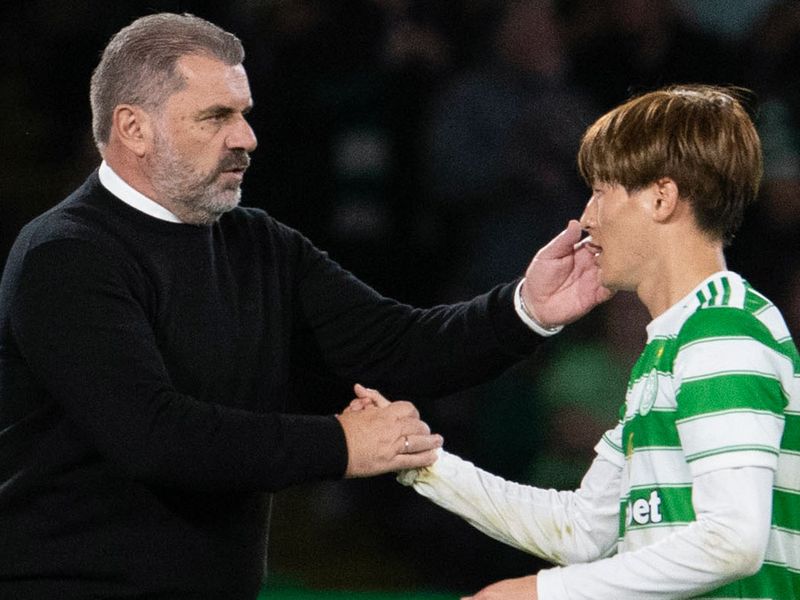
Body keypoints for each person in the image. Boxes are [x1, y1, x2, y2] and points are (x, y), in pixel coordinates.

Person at [0, 13, 610, 600]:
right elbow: (154, 436)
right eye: (217, 116)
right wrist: (342, 444)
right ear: (133, 129)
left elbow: (398, 348)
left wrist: (527, 308)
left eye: (244, 114)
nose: (246, 138)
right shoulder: (66, 255)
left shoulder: (259, 242)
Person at [353, 85, 800, 598]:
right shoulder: (675, 345)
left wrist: (536, 593)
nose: (586, 217)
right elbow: (583, 530)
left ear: (662, 197)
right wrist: (421, 461)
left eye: (602, 191)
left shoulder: (722, 334)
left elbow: (732, 542)